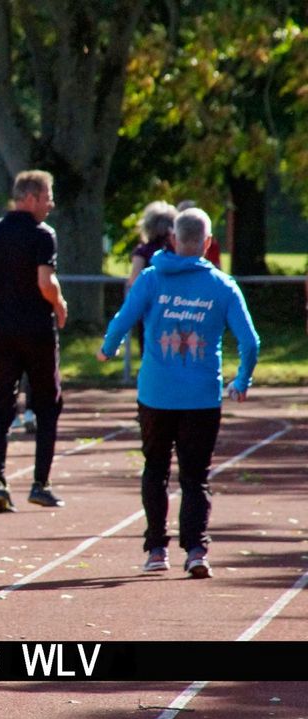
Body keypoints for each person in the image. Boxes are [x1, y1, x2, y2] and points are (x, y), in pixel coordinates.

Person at [98, 207, 259, 578]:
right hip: (202, 397)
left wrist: (109, 348)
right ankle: (197, 549)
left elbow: (123, 319)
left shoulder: (152, 279)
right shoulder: (223, 285)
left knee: (155, 469)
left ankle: (156, 548)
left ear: (173, 239)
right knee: (195, 476)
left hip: (155, 394)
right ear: (207, 243)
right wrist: (242, 381)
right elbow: (250, 343)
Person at [0, 169, 68, 512]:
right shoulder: (42, 235)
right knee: (47, 406)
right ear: (31, 197)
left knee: (0, 409)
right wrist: (59, 303)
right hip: (36, 331)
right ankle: (40, 483)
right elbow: (45, 283)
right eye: (47, 197)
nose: (50, 205)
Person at [126, 201, 177, 358]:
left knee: (149, 354)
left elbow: (134, 280)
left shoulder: (143, 251)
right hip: (176, 308)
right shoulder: (177, 252)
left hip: (149, 311)